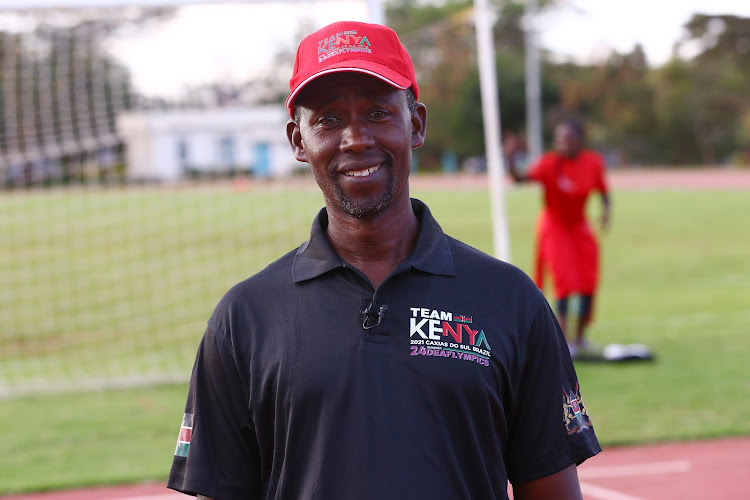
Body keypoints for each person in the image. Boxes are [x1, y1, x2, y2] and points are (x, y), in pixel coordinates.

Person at [167, 20, 600, 500]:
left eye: (377, 113)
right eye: (328, 120)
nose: (355, 138)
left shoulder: (510, 299)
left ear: (414, 125)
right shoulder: (244, 317)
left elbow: (552, 490)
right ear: (297, 141)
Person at [504, 121, 611, 359]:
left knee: (587, 281)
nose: (562, 143)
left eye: (567, 138)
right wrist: (510, 158)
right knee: (564, 280)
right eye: (559, 138)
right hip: (555, 227)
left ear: (579, 140)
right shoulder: (549, 164)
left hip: (579, 227)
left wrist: (606, 213)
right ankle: (563, 342)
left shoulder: (592, 162)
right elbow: (520, 180)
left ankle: (580, 338)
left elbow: (603, 190)